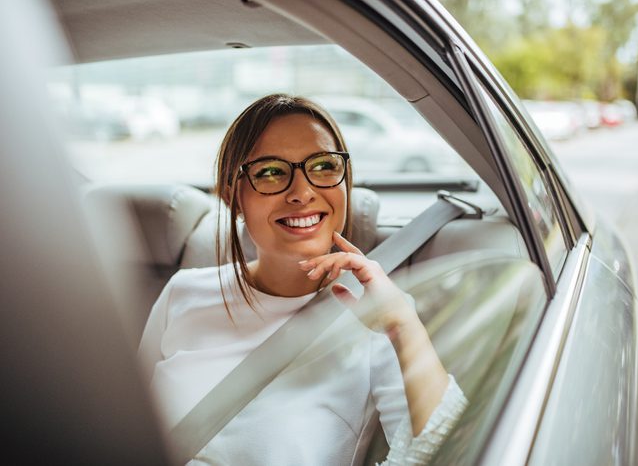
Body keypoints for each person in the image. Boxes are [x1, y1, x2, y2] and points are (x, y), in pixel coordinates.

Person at [138, 94, 467, 465]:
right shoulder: (182, 293)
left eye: (324, 166)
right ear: (234, 197)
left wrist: (403, 327)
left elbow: (448, 456)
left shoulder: (380, 317)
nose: (302, 192)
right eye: (271, 171)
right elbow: (126, 430)